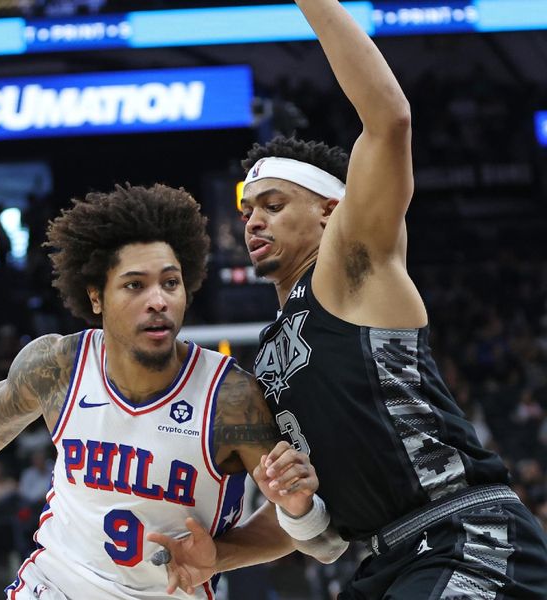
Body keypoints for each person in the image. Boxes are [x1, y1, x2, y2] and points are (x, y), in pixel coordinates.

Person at [0, 183, 346, 599]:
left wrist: (226, 553)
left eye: (170, 282)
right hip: (53, 583)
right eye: (136, 284)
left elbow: (310, 535)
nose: (159, 299)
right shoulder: (58, 365)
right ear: (97, 297)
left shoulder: (230, 398)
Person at [226, 0, 547, 597]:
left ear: (330, 211)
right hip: (381, 560)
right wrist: (215, 553)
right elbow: (309, 528)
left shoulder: (350, 267)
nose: (253, 222)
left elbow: (389, 117)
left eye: (273, 205)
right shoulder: (270, 350)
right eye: (247, 211)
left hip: (463, 535)